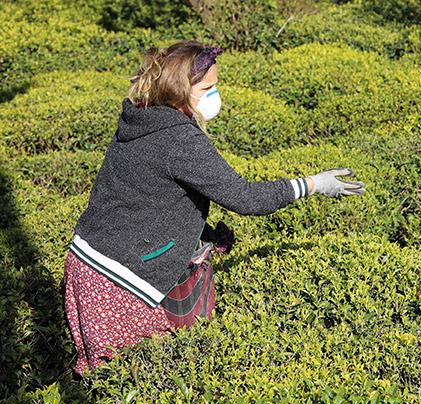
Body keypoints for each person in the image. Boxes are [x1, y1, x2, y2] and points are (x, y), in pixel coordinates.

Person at [63, 40, 365, 375]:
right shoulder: (178, 138)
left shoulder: (141, 120)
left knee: (107, 380)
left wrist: (199, 231)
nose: (215, 94)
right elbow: (245, 197)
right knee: (143, 379)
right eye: (208, 87)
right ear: (181, 89)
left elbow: (145, 197)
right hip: (119, 282)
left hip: (85, 263)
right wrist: (313, 184)